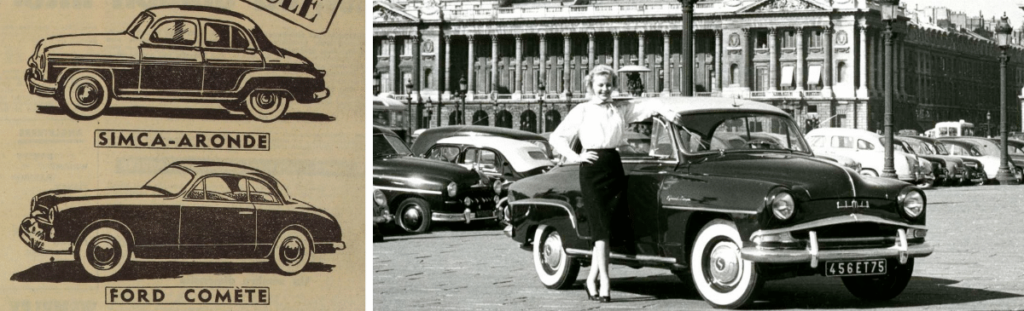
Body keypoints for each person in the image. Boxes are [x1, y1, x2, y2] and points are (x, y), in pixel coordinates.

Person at [548, 65, 665, 303]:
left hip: (613, 165)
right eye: (600, 85)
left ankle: (592, 278)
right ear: (591, 86)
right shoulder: (582, 110)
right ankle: (605, 282)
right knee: (600, 228)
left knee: (607, 228)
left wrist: (668, 111)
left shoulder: (618, 109)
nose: (604, 89)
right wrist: (577, 156)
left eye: (608, 85)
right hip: (592, 168)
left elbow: (647, 107)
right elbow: (556, 137)